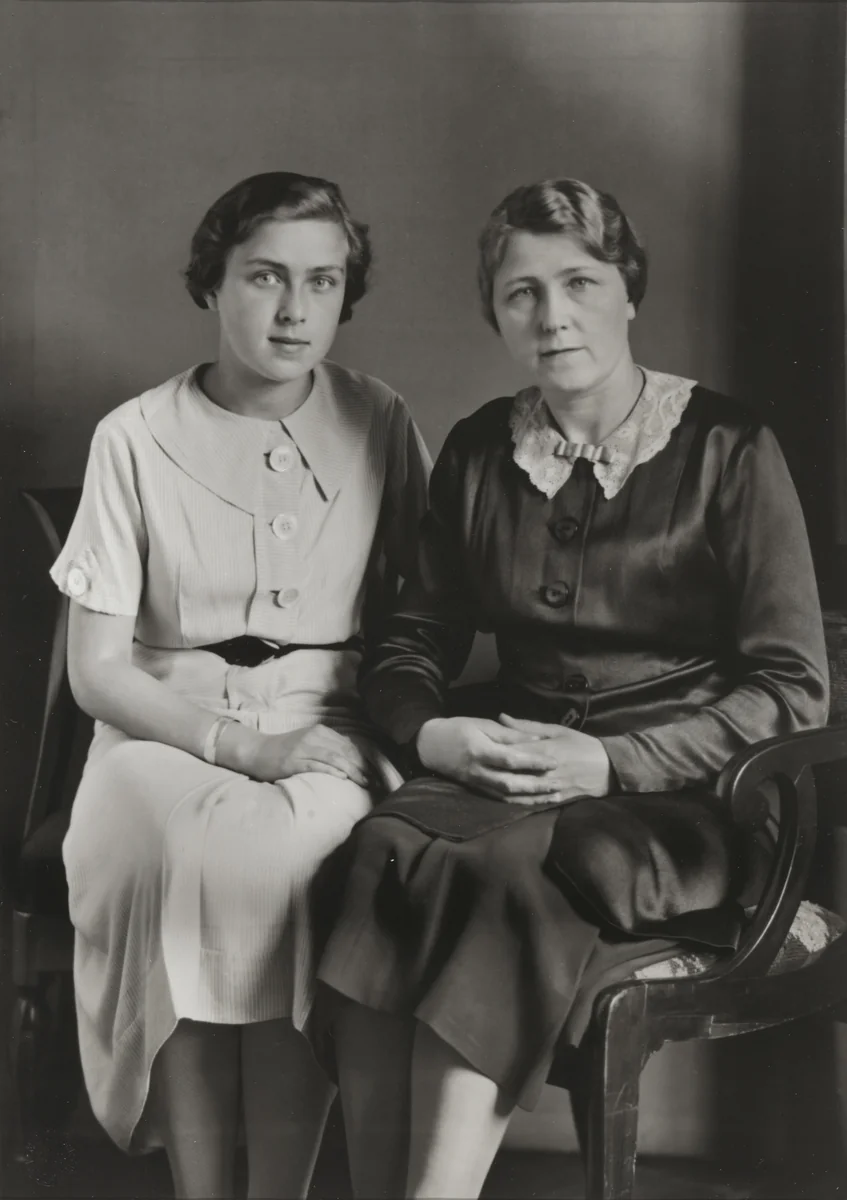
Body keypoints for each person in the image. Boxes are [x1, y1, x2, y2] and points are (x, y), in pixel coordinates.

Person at [313, 177, 830, 1199]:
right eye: (520, 294)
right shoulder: (477, 451)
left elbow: (792, 689)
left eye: (578, 283)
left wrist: (609, 759)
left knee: (503, 874)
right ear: (496, 314)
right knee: (377, 850)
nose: (551, 318)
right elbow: (409, 641)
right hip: (511, 770)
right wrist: (431, 738)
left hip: (690, 800)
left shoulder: (729, 448)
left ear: (627, 291)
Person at [52, 171, 431, 1199]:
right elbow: (96, 670)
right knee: (185, 848)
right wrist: (237, 748)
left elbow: (422, 618)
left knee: (283, 856)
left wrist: (382, 732)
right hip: (157, 731)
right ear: (212, 283)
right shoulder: (134, 436)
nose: (295, 309)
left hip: (328, 718)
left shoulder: (380, 421)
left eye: (323, 280)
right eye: (265, 276)